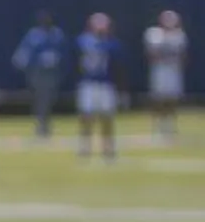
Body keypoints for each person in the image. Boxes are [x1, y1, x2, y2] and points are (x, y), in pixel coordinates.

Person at [75, 12, 124, 161]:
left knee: (107, 118)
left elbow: (117, 65)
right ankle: (85, 147)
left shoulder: (112, 43)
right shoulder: (84, 40)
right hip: (89, 83)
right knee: (86, 117)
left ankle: (108, 149)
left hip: (105, 84)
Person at [12, 10, 65, 139]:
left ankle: (45, 124)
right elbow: (25, 51)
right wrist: (21, 63)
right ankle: (41, 125)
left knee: (49, 98)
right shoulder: (34, 34)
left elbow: (63, 52)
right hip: (38, 71)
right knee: (40, 98)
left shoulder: (57, 34)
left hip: (51, 71)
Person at [144, 9, 188, 143]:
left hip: (173, 70)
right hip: (160, 70)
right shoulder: (154, 34)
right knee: (158, 98)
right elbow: (151, 54)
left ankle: (170, 125)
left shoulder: (179, 36)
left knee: (172, 98)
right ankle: (158, 125)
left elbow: (183, 55)